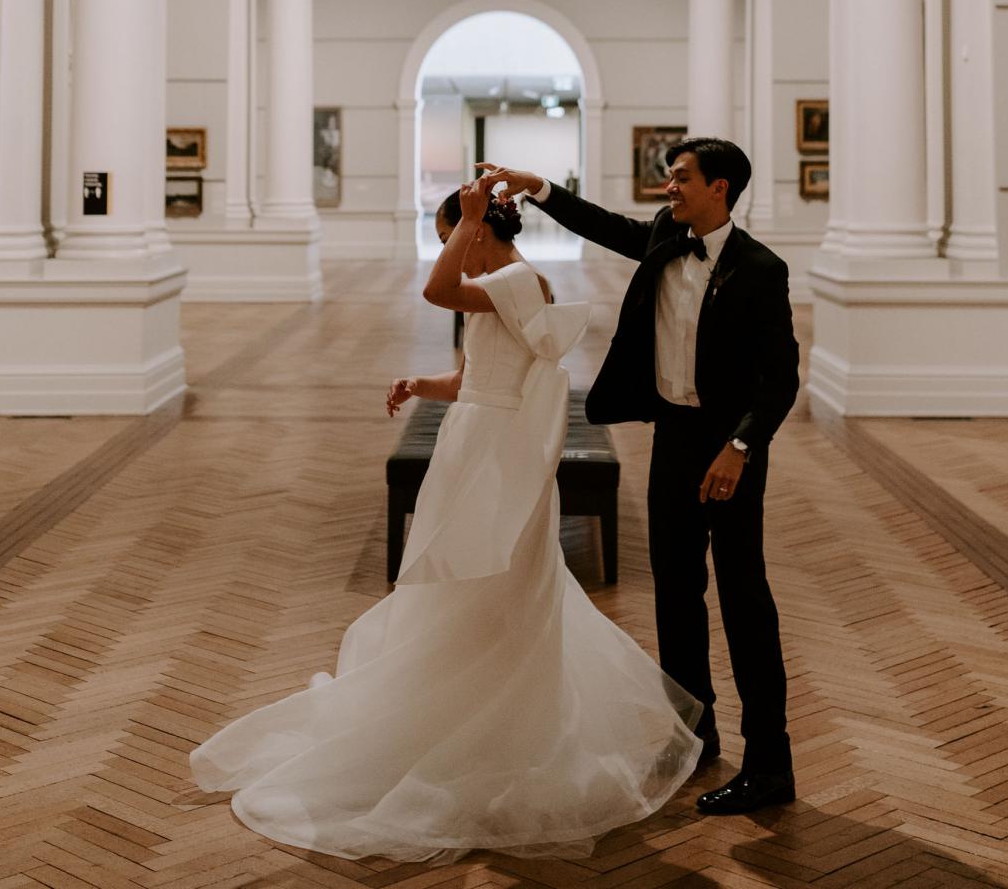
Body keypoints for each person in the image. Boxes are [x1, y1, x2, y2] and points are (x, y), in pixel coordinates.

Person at [189, 175, 703, 862]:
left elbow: (436, 292)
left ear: (481, 230)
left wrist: (460, 223)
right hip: (473, 438)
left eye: (455, 237)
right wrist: (421, 385)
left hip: (495, 452)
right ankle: (459, 708)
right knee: (453, 578)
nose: (450, 251)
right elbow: (472, 377)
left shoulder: (519, 281)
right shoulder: (500, 287)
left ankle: (497, 724)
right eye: (443, 240)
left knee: (498, 577)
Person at [478, 138, 799, 815]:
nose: (669, 190)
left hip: (730, 452)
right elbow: (602, 223)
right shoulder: (662, 236)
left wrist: (740, 446)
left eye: (680, 179)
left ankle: (771, 763)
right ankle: (692, 734)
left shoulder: (762, 270)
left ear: (720, 188)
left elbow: (780, 380)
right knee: (676, 596)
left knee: (745, 600)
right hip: (676, 439)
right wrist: (537, 186)